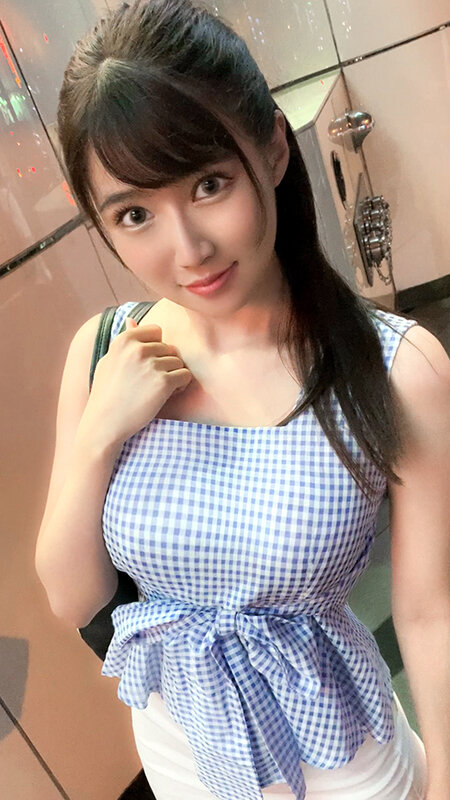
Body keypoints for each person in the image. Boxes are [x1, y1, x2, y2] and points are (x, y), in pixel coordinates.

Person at [35, 1, 449, 798]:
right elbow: (72, 596)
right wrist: (98, 435)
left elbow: (432, 613)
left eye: (210, 184)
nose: (188, 249)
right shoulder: (104, 352)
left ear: (272, 148)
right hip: (181, 751)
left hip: (342, 764)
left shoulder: (396, 368)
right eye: (135, 214)